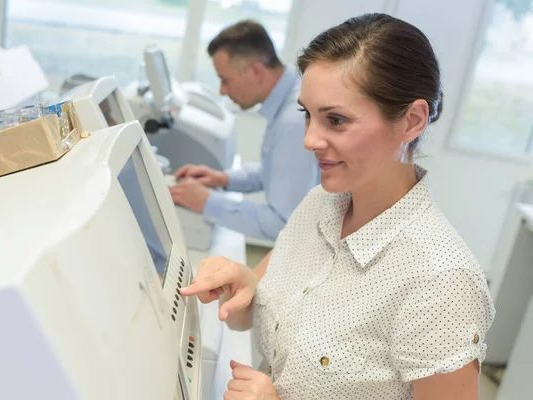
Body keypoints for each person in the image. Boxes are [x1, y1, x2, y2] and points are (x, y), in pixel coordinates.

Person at [180, 13, 495, 400]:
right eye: (307, 115)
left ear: (412, 121)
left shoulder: (441, 280)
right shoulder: (320, 205)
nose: (310, 139)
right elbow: (255, 312)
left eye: (335, 120)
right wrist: (240, 286)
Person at [169, 20, 319, 242]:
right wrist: (223, 179)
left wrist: (207, 202)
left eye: (225, 80)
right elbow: (278, 170)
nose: (222, 90)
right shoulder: (289, 98)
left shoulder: (293, 119)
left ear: (256, 71)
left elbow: (282, 223)